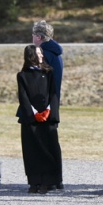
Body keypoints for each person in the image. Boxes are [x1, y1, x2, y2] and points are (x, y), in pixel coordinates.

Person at [16, 44, 64, 194]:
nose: (42, 56)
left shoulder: (48, 72)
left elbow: (53, 94)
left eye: (41, 53)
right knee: (32, 150)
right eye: (38, 53)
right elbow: (23, 97)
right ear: (31, 56)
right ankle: (34, 181)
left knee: (49, 149)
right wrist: (34, 113)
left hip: (47, 117)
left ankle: (50, 181)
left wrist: (48, 111)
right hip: (31, 118)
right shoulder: (22, 75)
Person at [32, 20, 64, 103]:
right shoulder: (56, 53)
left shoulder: (43, 55)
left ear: (38, 37)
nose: (32, 38)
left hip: (43, 103)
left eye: (33, 35)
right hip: (52, 101)